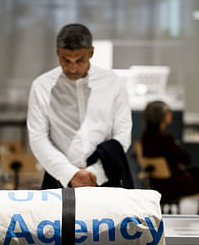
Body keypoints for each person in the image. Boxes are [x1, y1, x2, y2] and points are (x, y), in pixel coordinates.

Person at [27, 23, 132, 190]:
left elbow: (123, 133)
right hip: (58, 179)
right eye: (66, 60)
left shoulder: (113, 83)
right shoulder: (41, 86)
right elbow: (38, 138)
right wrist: (70, 174)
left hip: (105, 177)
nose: (73, 67)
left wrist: (95, 174)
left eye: (79, 60)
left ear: (91, 53)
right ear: (57, 52)